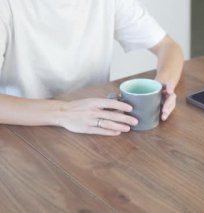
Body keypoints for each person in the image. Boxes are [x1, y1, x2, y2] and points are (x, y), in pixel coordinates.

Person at [0, 0, 184, 136]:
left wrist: (161, 88)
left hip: (93, 128)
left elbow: (168, 47)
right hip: (22, 130)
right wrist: (64, 113)